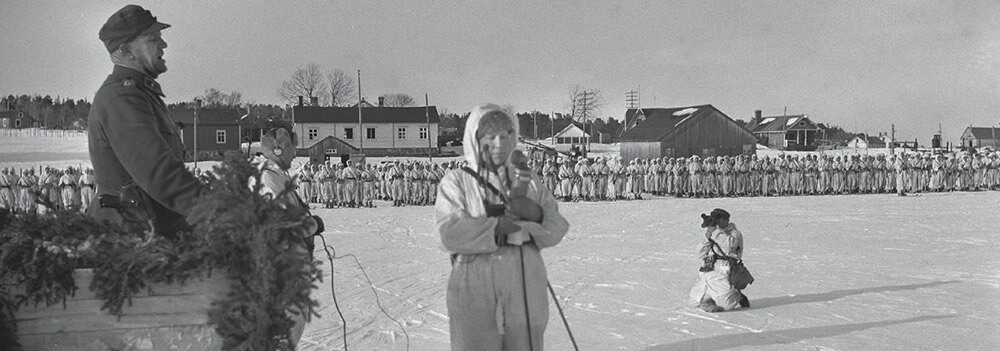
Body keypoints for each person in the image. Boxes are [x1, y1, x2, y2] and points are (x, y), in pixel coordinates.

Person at [436, 104, 569, 350]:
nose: (500, 143)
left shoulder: (527, 180)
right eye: (491, 136)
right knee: (475, 341)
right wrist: (497, 227)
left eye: (506, 135)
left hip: (524, 275)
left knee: (525, 341)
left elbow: (556, 225)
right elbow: (450, 232)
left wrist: (534, 213)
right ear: (476, 139)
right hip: (475, 276)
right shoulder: (457, 181)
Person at [88, 5, 202, 236]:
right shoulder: (122, 97)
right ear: (127, 52)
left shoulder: (141, 95)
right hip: (130, 241)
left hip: (150, 231)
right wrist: (222, 211)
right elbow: (160, 174)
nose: (164, 44)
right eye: (153, 39)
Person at [248, 128, 321, 348]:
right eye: (292, 147)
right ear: (278, 148)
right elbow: (281, 226)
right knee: (281, 335)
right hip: (280, 272)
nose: (295, 153)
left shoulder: (275, 174)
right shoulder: (268, 177)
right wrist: (314, 224)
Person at [689, 208, 749, 312]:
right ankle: (710, 300)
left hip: (723, 272)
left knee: (727, 305)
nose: (717, 223)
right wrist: (706, 239)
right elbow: (698, 254)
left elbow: (729, 246)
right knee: (692, 302)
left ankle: (737, 295)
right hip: (708, 271)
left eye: (718, 220)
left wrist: (716, 232)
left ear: (725, 220)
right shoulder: (713, 234)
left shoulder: (734, 234)